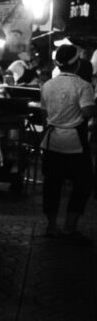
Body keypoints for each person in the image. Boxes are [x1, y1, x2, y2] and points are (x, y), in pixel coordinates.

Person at [38, 44, 95, 242]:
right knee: (84, 183)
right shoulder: (83, 86)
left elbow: (44, 114)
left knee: (51, 184)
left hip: (51, 141)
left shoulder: (47, 85)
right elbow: (87, 112)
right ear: (77, 64)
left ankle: (52, 226)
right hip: (75, 142)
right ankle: (70, 227)